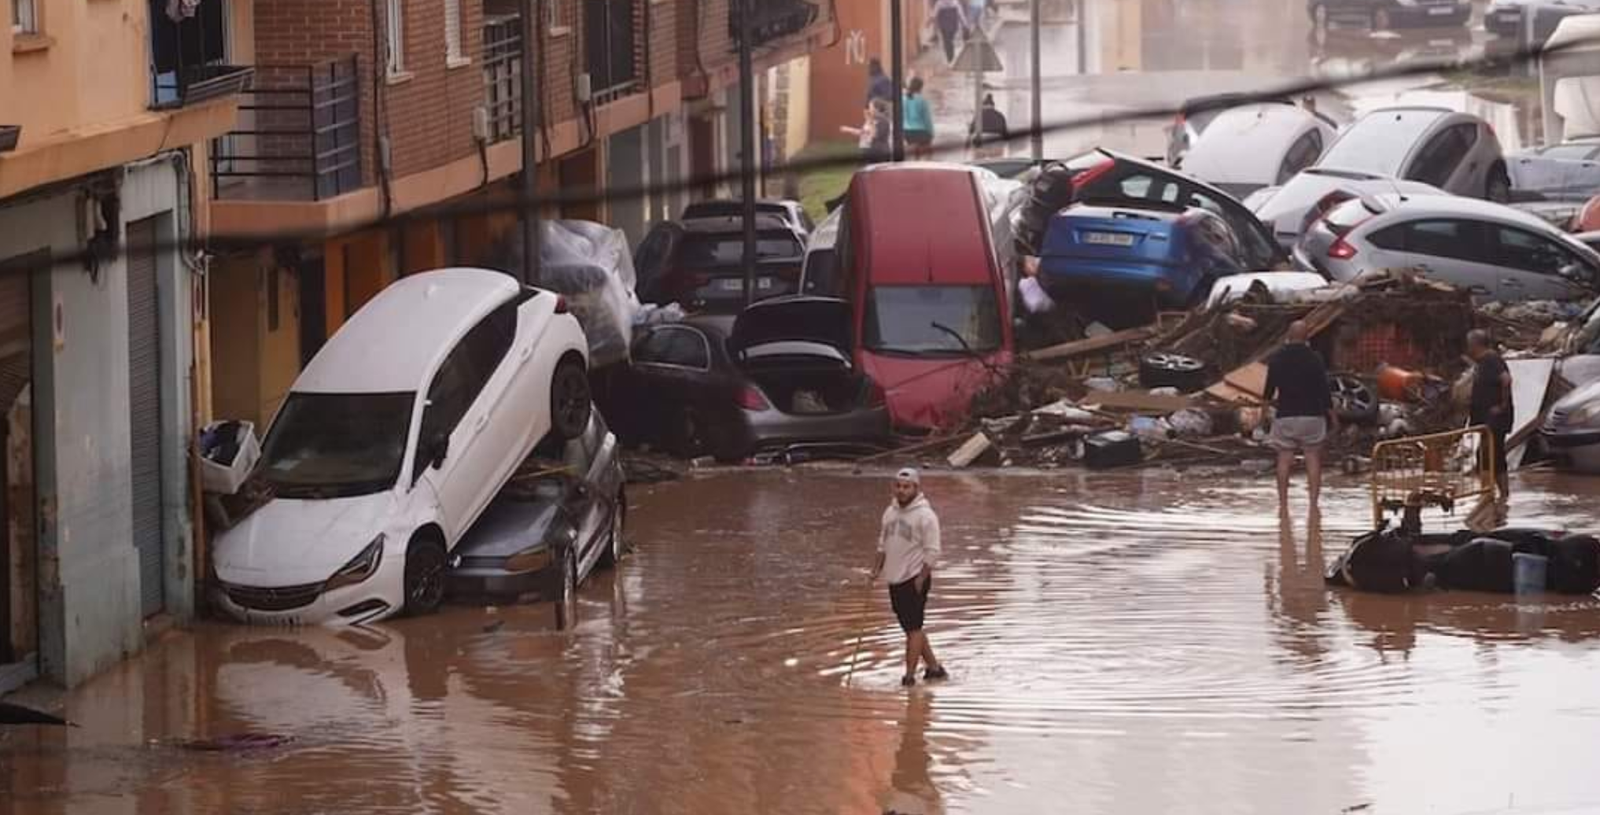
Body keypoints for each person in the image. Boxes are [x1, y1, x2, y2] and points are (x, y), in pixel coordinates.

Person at [870, 468, 947, 688]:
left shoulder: (926, 516)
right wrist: (875, 570)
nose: (902, 490)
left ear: (916, 488)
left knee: (913, 628)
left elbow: (933, 551)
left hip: (915, 578)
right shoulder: (889, 512)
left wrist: (921, 579)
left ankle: (909, 678)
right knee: (912, 628)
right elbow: (882, 545)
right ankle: (934, 669)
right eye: (898, 486)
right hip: (894, 578)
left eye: (906, 487)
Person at [1263, 320, 1338, 516]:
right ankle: (1313, 505)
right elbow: (1324, 389)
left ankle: (1283, 505)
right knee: (1312, 458)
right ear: (1306, 337)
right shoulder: (1315, 358)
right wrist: (1333, 416)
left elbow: (1268, 390)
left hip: (1285, 415)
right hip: (1313, 416)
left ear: (1289, 335)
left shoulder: (1277, 358)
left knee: (1284, 458)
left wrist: (1264, 414)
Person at [1467, 328, 1514, 501]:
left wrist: (1502, 406)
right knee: (1495, 456)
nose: (1468, 348)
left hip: (1495, 420)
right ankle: (1501, 495)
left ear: (1475, 344)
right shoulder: (1482, 362)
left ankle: (1487, 495)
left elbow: (1506, 380)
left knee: (1486, 456)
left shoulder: (1491, 359)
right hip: (1487, 420)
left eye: (1469, 344)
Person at [840, 99, 892, 166]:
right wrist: (848, 129)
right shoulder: (872, 120)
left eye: (871, 107)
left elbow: (874, 135)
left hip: (879, 153)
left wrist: (870, 121)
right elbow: (863, 133)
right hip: (868, 151)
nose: (869, 110)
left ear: (877, 109)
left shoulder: (883, 121)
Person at [968, 93, 1009, 159]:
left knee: (978, 162)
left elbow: (971, 130)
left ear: (984, 105)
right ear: (993, 106)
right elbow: (1005, 133)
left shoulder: (979, 115)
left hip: (981, 141)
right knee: (996, 161)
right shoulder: (1000, 115)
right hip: (996, 141)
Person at [903, 77, 935, 161]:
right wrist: (931, 133)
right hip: (921, 131)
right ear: (921, 87)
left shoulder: (903, 99)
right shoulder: (922, 100)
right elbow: (927, 120)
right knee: (927, 157)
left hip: (907, 132)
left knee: (913, 156)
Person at [932, 0, 968, 66]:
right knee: (949, 40)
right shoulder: (955, 2)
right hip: (952, 25)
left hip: (944, 25)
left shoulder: (940, 3)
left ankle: (950, 57)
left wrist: (931, 21)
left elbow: (934, 14)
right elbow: (960, 14)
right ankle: (951, 57)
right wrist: (965, 24)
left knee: (947, 41)